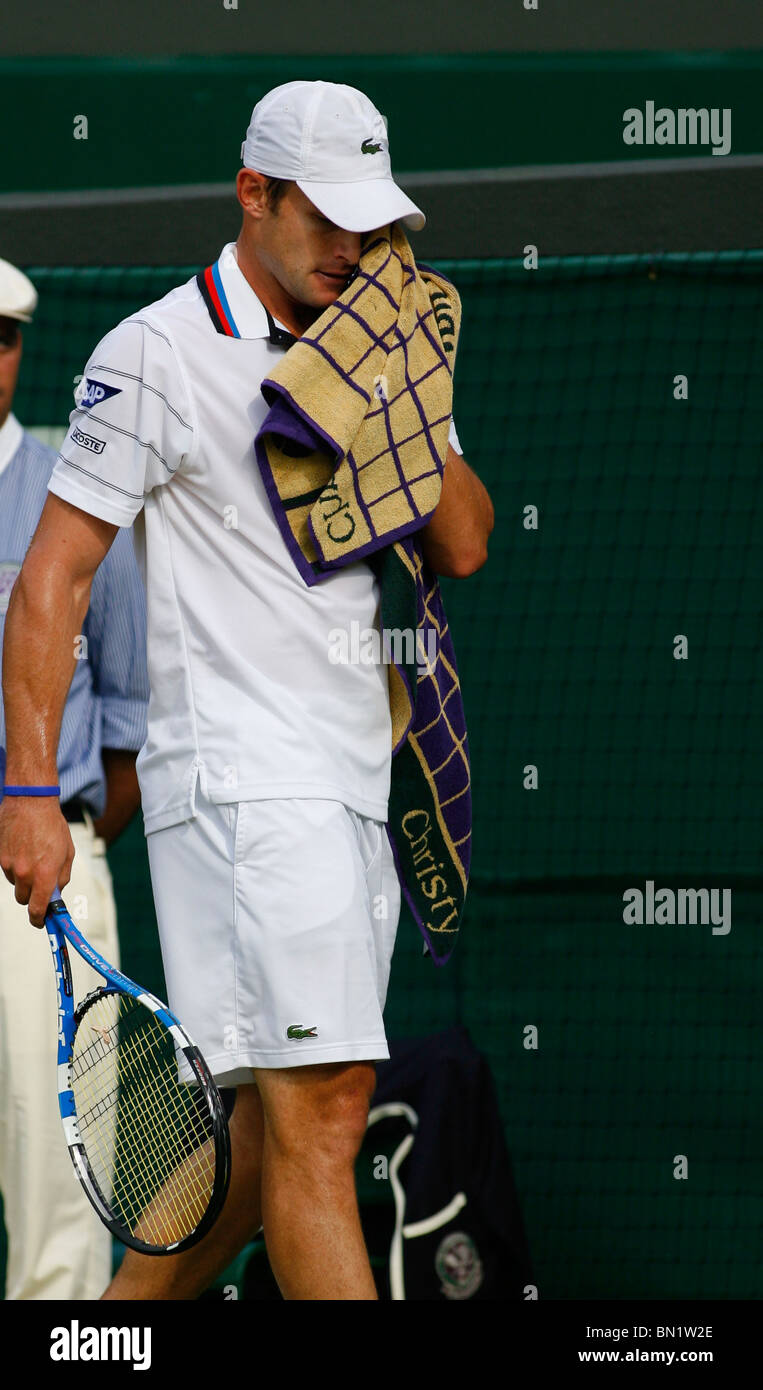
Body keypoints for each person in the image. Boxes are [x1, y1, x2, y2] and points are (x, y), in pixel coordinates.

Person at [0, 81, 494, 1300]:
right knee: (326, 1125)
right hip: (239, 789)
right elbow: (53, 581)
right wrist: (24, 786)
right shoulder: (154, 351)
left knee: (262, 1151)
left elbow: (469, 541)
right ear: (252, 194)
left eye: (372, 226)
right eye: (323, 218)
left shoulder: (366, 350)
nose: (352, 248)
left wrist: (394, 407)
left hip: (340, 789)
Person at [0, 259, 149, 1298]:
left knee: (62, 1198)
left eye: (1, 338)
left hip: (39, 889)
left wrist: (64, 843)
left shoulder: (77, 503)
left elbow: (133, 726)